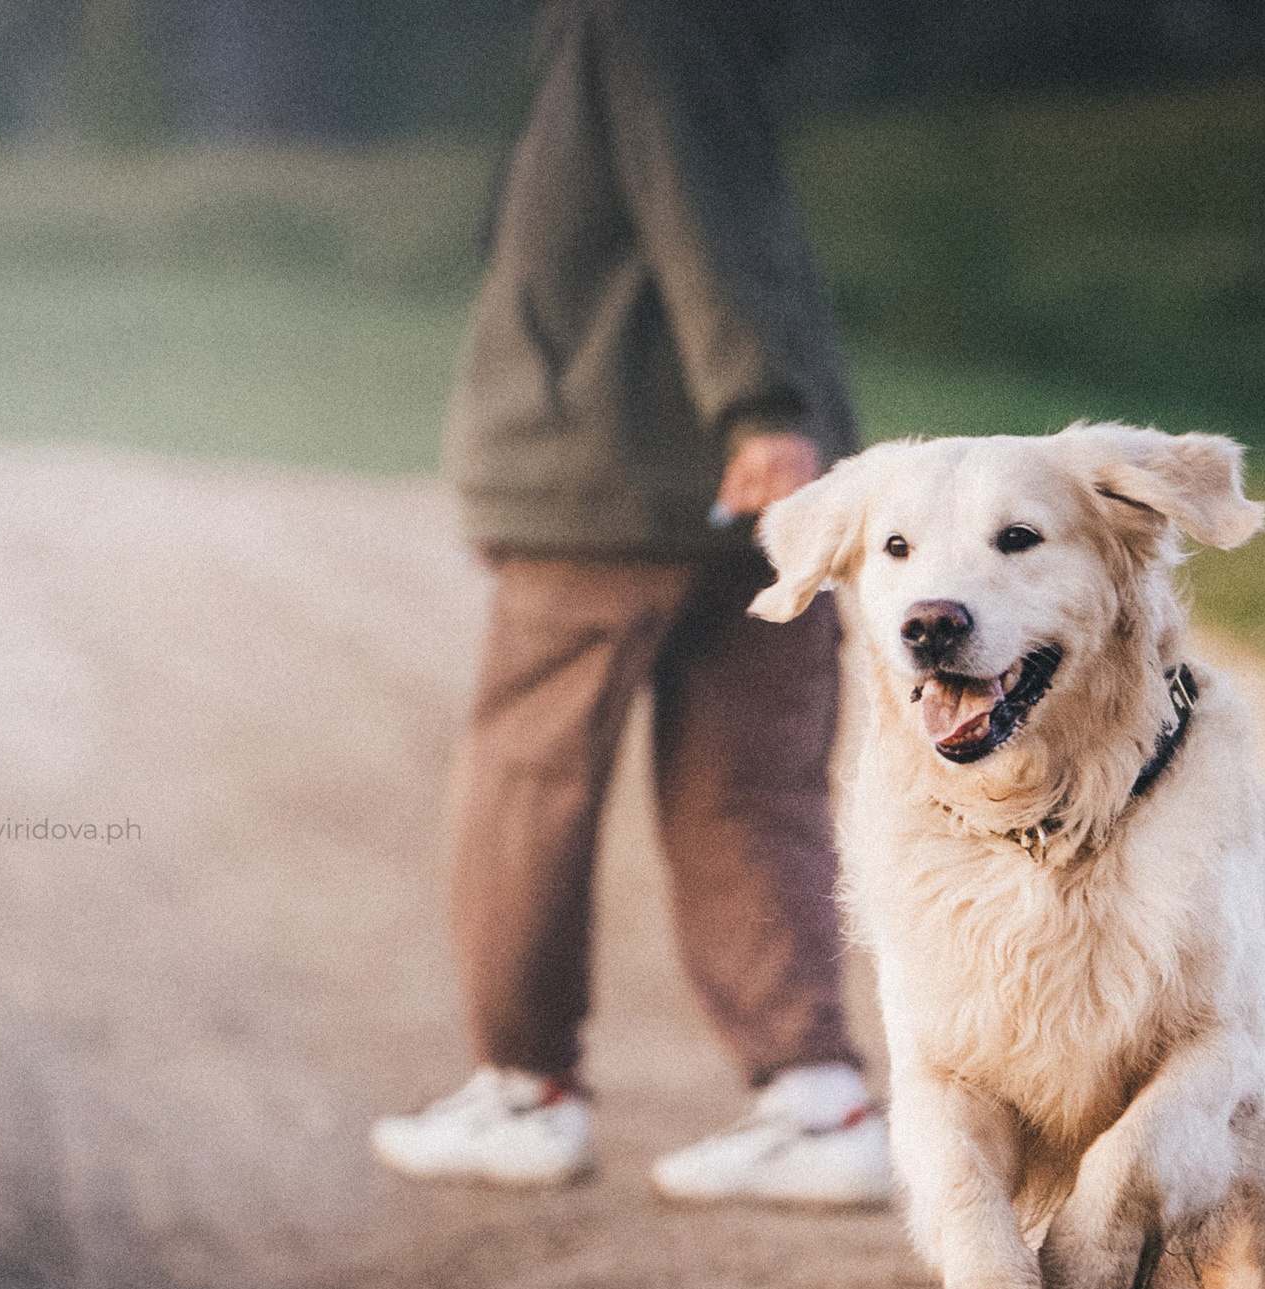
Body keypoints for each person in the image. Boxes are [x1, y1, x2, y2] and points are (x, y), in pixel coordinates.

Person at [370, 0, 890, 1206]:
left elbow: (702, 214)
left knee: (526, 779)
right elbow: (727, 219)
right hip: (756, 466)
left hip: (611, 469)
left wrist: (758, 405)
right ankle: (817, 1102)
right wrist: (776, 419)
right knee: (747, 786)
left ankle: (524, 1091)